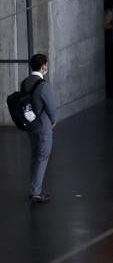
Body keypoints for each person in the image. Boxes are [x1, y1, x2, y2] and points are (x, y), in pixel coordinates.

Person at [21, 53, 56, 204]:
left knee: (35, 157)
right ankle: (36, 192)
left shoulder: (25, 82)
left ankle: (35, 188)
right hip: (43, 126)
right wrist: (53, 121)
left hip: (30, 125)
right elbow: (51, 107)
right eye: (46, 64)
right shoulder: (43, 85)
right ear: (43, 66)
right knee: (42, 158)